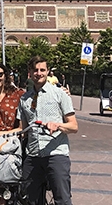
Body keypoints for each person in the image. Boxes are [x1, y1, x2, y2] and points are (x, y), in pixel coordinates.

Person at [17, 56, 79, 205]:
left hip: (55, 153)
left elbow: (74, 126)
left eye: (42, 70)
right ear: (29, 73)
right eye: (35, 70)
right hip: (33, 155)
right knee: (30, 200)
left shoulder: (60, 94)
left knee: (62, 200)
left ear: (47, 71)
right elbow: (22, 129)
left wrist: (58, 125)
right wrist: (0, 135)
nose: (39, 73)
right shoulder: (24, 99)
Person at [0, 62, 26, 143]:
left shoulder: (18, 95)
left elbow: (23, 127)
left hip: (11, 141)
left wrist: (0, 134)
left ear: (5, 76)